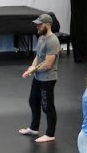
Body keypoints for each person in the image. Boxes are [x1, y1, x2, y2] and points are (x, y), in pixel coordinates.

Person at [18, 13, 60, 143]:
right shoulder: (42, 38)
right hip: (38, 77)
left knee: (47, 106)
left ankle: (50, 134)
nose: (37, 26)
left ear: (47, 25)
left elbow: (48, 64)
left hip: (47, 79)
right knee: (33, 101)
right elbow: (38, 56)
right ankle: (34, 128)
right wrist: (32, 67)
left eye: (40, 24)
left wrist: (33, 70)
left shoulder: (53, 41)